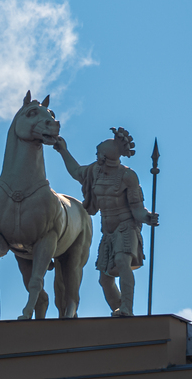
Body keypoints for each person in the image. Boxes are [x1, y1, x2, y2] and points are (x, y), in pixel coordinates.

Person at [54, 128, 158, 317]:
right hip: (107, 230)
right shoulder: (95, 171)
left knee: (122, 262)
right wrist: (63, 150)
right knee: (105, 278)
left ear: (105, 157)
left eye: (98, 153)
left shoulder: (128, 176)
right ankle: (118, 310)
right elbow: (77, 172)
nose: (96, 156)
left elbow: (137, 208)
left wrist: (147, 217)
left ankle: (127, 308)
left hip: (126, 227)